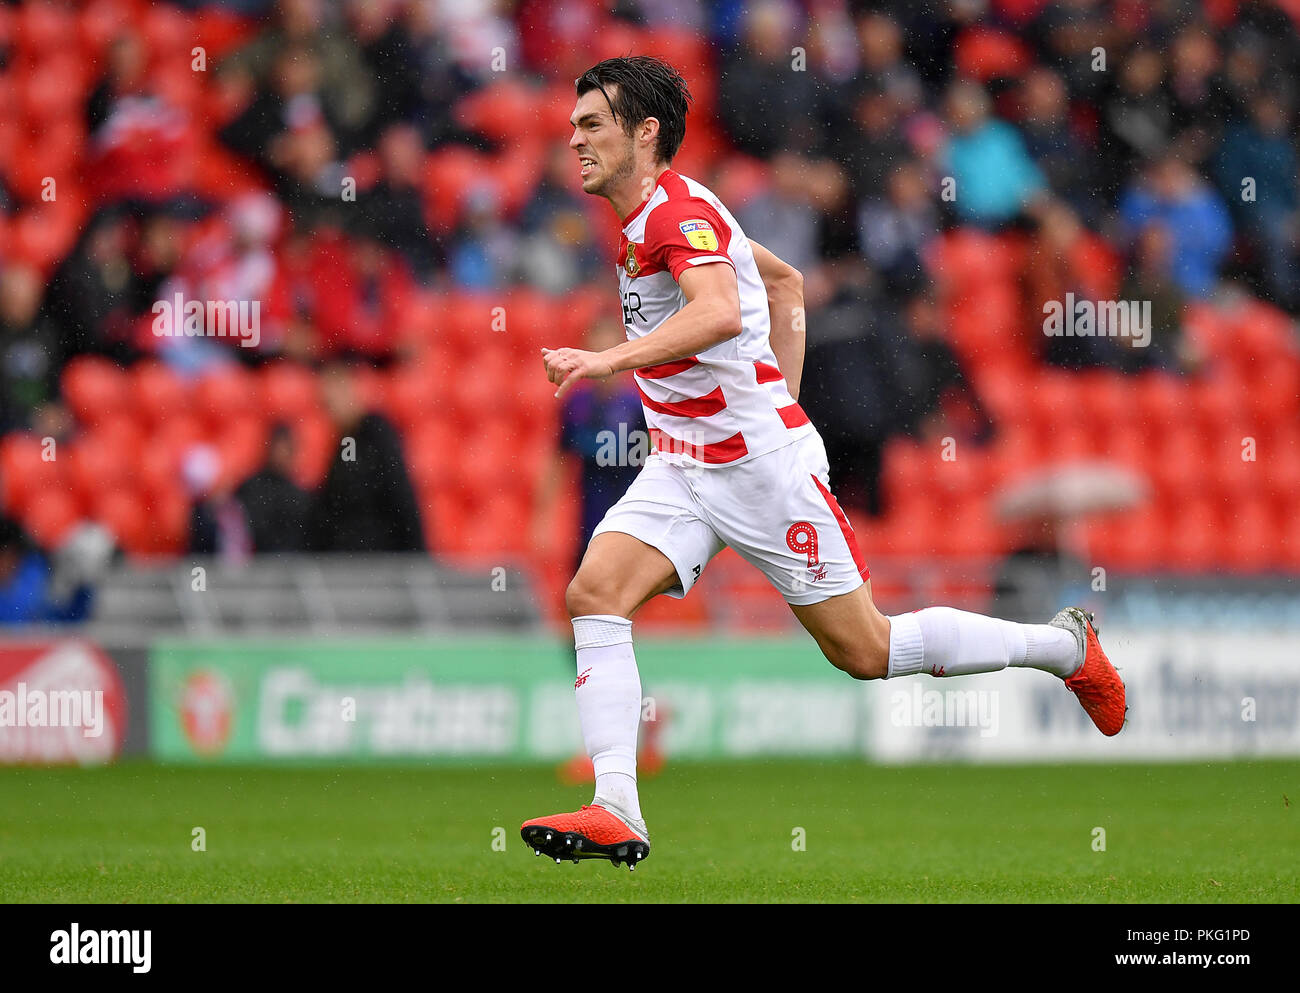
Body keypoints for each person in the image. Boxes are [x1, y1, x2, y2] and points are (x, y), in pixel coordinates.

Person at [521, 56, 1126, 870]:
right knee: (594, 592)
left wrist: (611, 361)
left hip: (760, 471)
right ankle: (616, 807)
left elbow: (720, 308)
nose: (575, 137)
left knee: (864, 650)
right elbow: (785, 283)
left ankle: (1064, 649)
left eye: (592, 124)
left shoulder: (673, 215)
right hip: (687, 464)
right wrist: (785, 396)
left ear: (644, 133)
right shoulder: (667, 216)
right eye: (575, 124)